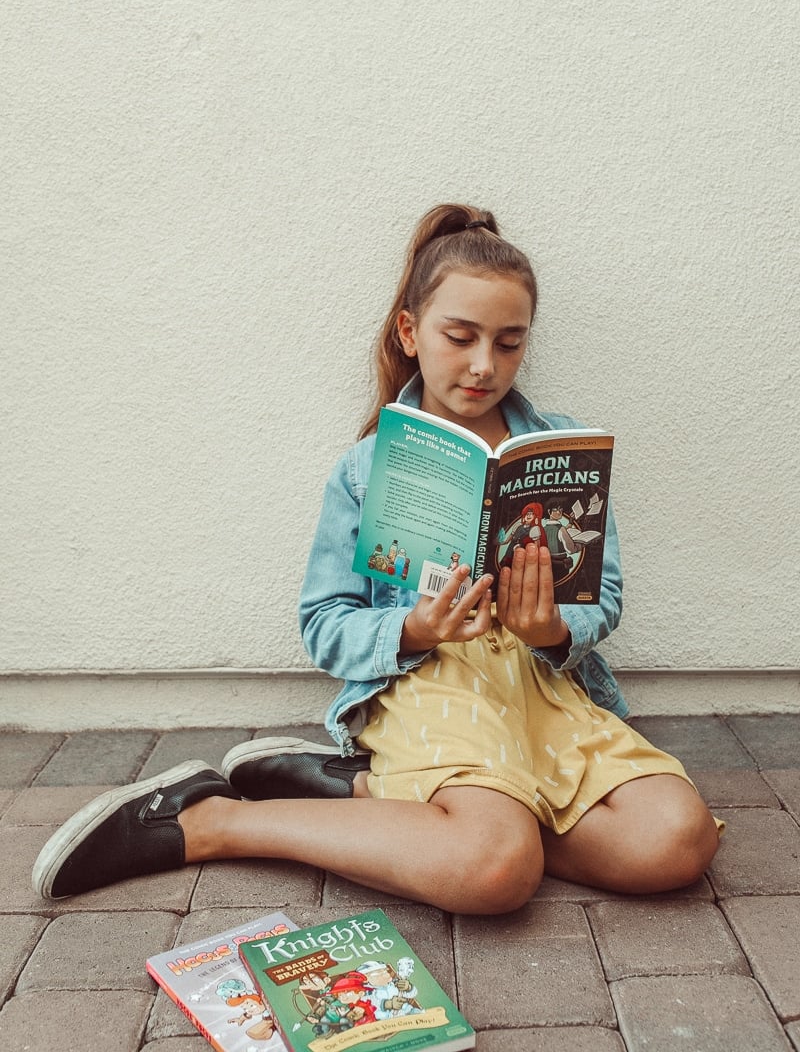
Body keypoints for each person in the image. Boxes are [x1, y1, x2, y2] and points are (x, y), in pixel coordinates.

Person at [32, 203, 721, 915]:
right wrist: (414, 630)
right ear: (410, 331)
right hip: (430, 683)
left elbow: (603, 597)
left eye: (510, 343)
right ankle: (210, 821)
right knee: (495, 868)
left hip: (542, 686)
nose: (486, 365)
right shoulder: (365, 470)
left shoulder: (562, 446)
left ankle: (365, 793)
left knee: (676, 841)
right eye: (461, 337)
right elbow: (323, 623)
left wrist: (549, 627)